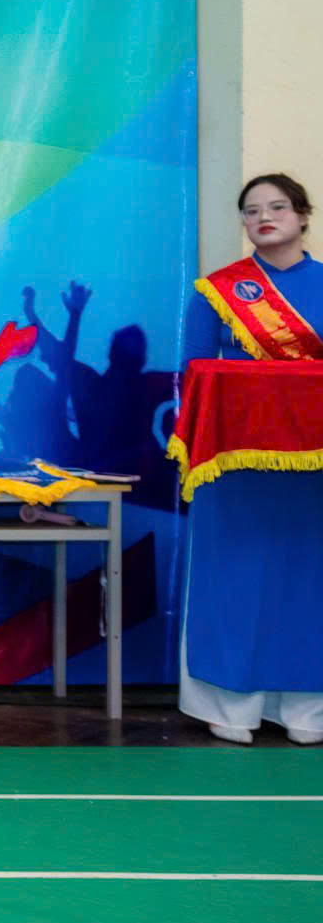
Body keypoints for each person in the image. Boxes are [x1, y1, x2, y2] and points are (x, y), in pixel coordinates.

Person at [177, 174, 323, 744]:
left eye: (278, 207)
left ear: (303, 215)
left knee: (307, 579)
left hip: (312, 468)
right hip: (233, 463)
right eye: (252, 210)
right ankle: (230, 706)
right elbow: (192, 375)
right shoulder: (216, 291)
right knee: (234, 577)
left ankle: (307, 710)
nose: (264, 217)